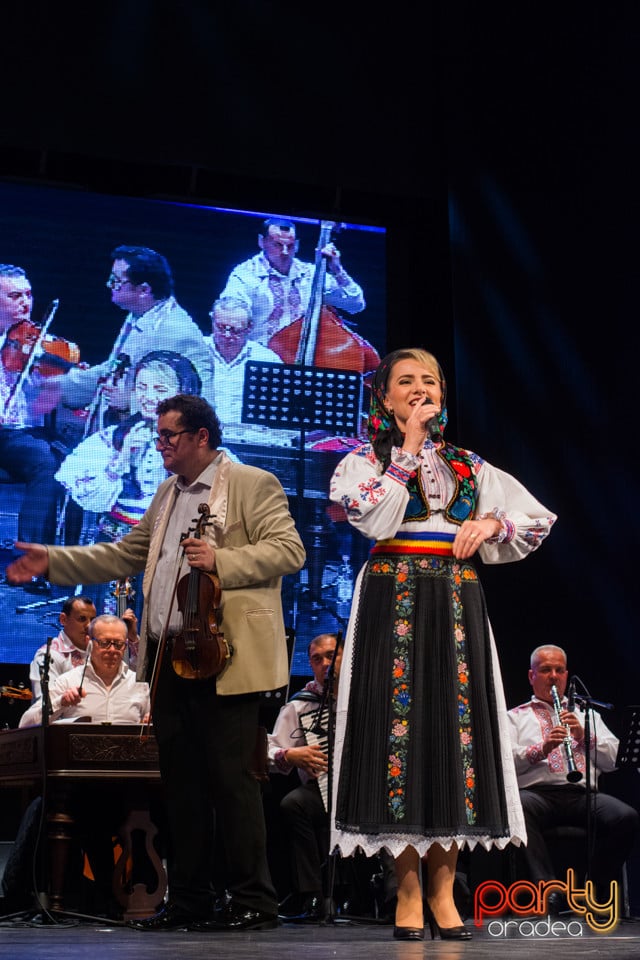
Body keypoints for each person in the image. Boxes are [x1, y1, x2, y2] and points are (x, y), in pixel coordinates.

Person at [5, 393, 306, 932]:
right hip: (170, 658)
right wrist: (54, 560)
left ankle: (253, 900)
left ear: (201, 437)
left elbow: (289, 550)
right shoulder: (168, 493)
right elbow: (125, 554)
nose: (160, 444)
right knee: (182, 788)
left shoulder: (251, 483)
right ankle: (190, 901)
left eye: (169, 435)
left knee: (233, 784)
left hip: (224, 656)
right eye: (159, 434)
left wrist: (222, 559)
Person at [327, 347, 557, 941]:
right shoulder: (362, 462)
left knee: (456, 738)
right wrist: (406, 448)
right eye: (406, 381)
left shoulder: (468, 465)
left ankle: (444, 890)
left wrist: (491, 524)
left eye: (429, 380)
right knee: (396, 735)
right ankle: (406, 890)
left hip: (455, 597)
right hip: (392, 593)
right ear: (384, 398)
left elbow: (537, 519)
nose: (420, 389)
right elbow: (374, 518)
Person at [55, 350, 202, 622]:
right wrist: (120, 461)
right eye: (142, 387)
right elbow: (89, 496)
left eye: (160, 390)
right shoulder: (113, 439)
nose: (148, 396)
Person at [507, 644, 639, 906]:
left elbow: (614, 760)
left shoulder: (587, 714)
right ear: (532, 676)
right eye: (546, 670)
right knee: (516, 808)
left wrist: (583, 736)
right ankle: (548, 890)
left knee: (627, 817)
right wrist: (542, 748)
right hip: (537, 795)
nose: (553, 676)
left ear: (567, 675)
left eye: (559, 670)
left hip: (583, 795)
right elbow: (505, 764)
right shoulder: (515, 717)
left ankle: (594, 887)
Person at [56, 245, 215, 431]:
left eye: (116, 281)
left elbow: (200, 403)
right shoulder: (139, 315)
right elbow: (111, 371)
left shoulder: (175, 332)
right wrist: (56, 386)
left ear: (144, 290)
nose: (109, 285)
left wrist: (130, 402)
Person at [268, 633, 340, 922]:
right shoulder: (300, 706)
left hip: (361, 791)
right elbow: (270, 747)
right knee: (293, 803)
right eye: (317, 659)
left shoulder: (365, 697)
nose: (325, 664)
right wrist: (290, 755)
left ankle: (392, 896)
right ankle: (312, 895)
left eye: (331, 656)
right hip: (321, 790)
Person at [0, 264, 64, 575]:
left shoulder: (39, 345)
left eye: (28, 294)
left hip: (18, 434)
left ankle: (31, 558)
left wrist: (55, 379)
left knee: (49, 460)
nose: (25, 302)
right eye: (15, 296)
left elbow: (47, 402)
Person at [218, 218, 365, 348]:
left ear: (298, 245)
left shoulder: (311, 274)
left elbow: (356, 305)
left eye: (290, 246)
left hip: (302, 360)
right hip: (262, 358)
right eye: (277, 245)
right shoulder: (245, 274)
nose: (285, 252)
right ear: (261, 242)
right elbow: (230, 315)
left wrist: (337, 270)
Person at [20, 613, 150, 727]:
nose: (112, 650)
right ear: (89, 642)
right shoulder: (68, 681)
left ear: (125, 646)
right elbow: (26, 724)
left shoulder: (139, 684)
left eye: (118, 644)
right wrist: (61, 702)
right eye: (104, 643)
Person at [203, 297, 296, 446]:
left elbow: (285, 410)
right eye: (221, 327)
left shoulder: (266, 359)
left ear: (249, 327)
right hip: (202, 437)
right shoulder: (196, 351)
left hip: (250, 441)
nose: (227, 335)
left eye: (235, 330)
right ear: (212, 320)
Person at [28, 594, 97, 700]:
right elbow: (46, 702)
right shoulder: (48, 655)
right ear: (63, 619)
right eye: (82, 619)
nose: (89, 625)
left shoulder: (98, 651)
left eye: (92, 620)